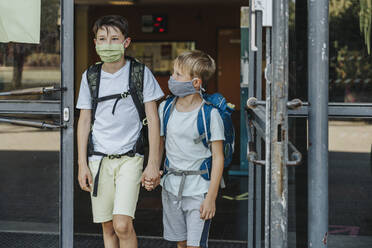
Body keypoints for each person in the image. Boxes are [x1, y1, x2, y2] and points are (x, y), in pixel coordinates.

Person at [76, 15, 163, 248]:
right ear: (94, 43)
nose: (108, 44)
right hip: (99, 160)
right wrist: (82, 164)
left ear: (126, 43)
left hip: (130, 158)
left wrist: (153, 163)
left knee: (122, 224)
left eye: (114, 38)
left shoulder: (140, 73)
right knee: (108, 227)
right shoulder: (90, 77)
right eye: (102, 39)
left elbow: (154, 120)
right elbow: (84, 121)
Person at [145, 50, 225, 248]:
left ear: (196, 82)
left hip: (200, 191)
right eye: (173, 72)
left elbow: (218, 158)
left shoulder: (210, 114)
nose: (172, 78)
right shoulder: (166, 107)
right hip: (171, 188)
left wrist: (211, 198)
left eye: (178, 75)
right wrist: (153, 170)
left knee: (194, 245)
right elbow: (160, 143)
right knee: (181, 243)